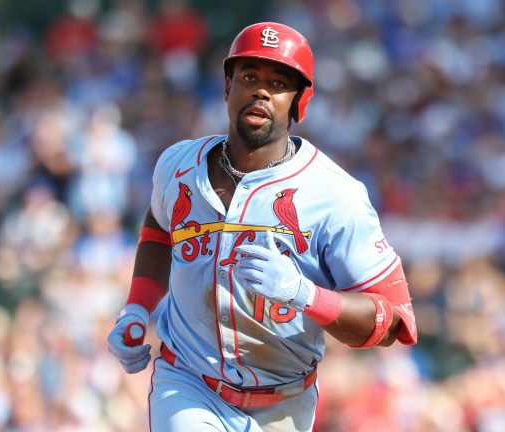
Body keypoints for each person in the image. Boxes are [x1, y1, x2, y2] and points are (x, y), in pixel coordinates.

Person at [107, 21, 418, 432]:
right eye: (249, 76)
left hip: (284, 400)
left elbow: (393, 322)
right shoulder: (177, 165)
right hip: (187, 380)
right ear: (226, 88)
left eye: (278, 82)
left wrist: (306, 295)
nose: (261, 90)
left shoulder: (336, 194)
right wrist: (137, 305)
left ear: (299, 102)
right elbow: (160, 229)